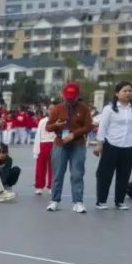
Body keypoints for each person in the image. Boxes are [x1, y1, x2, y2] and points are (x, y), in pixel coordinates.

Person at [94, 81, 132, 211]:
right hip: (111, 145)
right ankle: (101, 201)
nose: (128, 93)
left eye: (130, 91)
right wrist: (99, 145)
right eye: (125, 91)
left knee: (124, 174)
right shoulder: (109, 109)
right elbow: (102, 128)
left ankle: (120, 201)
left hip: (128, 146)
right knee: (105, 174)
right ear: (117, 93)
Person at [46, 82, 93, 213]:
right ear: (63, 95)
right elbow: (48, 127)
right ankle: (54, 200)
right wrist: (56, 124)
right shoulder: (57, 108)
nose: (70, 99)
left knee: (77, 173)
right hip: (60, 144)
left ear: (78, 95)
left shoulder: (84, 108)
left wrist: (74, 134)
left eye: (72, 97)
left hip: (78, 144)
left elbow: (89, 126)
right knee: (58, 173)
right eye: (67, 96)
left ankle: (78, 202)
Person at [32, 103, 55, 194]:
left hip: (54, 144)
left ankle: (51, 186)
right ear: (47, 110)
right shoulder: (42, 121)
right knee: (40, 167)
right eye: (50, 109)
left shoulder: (59, 121)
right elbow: (38, 136)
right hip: (43, 145)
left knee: (53, 167)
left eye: (54, 109)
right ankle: (39, 186)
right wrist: (36, 151)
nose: (52, 111)